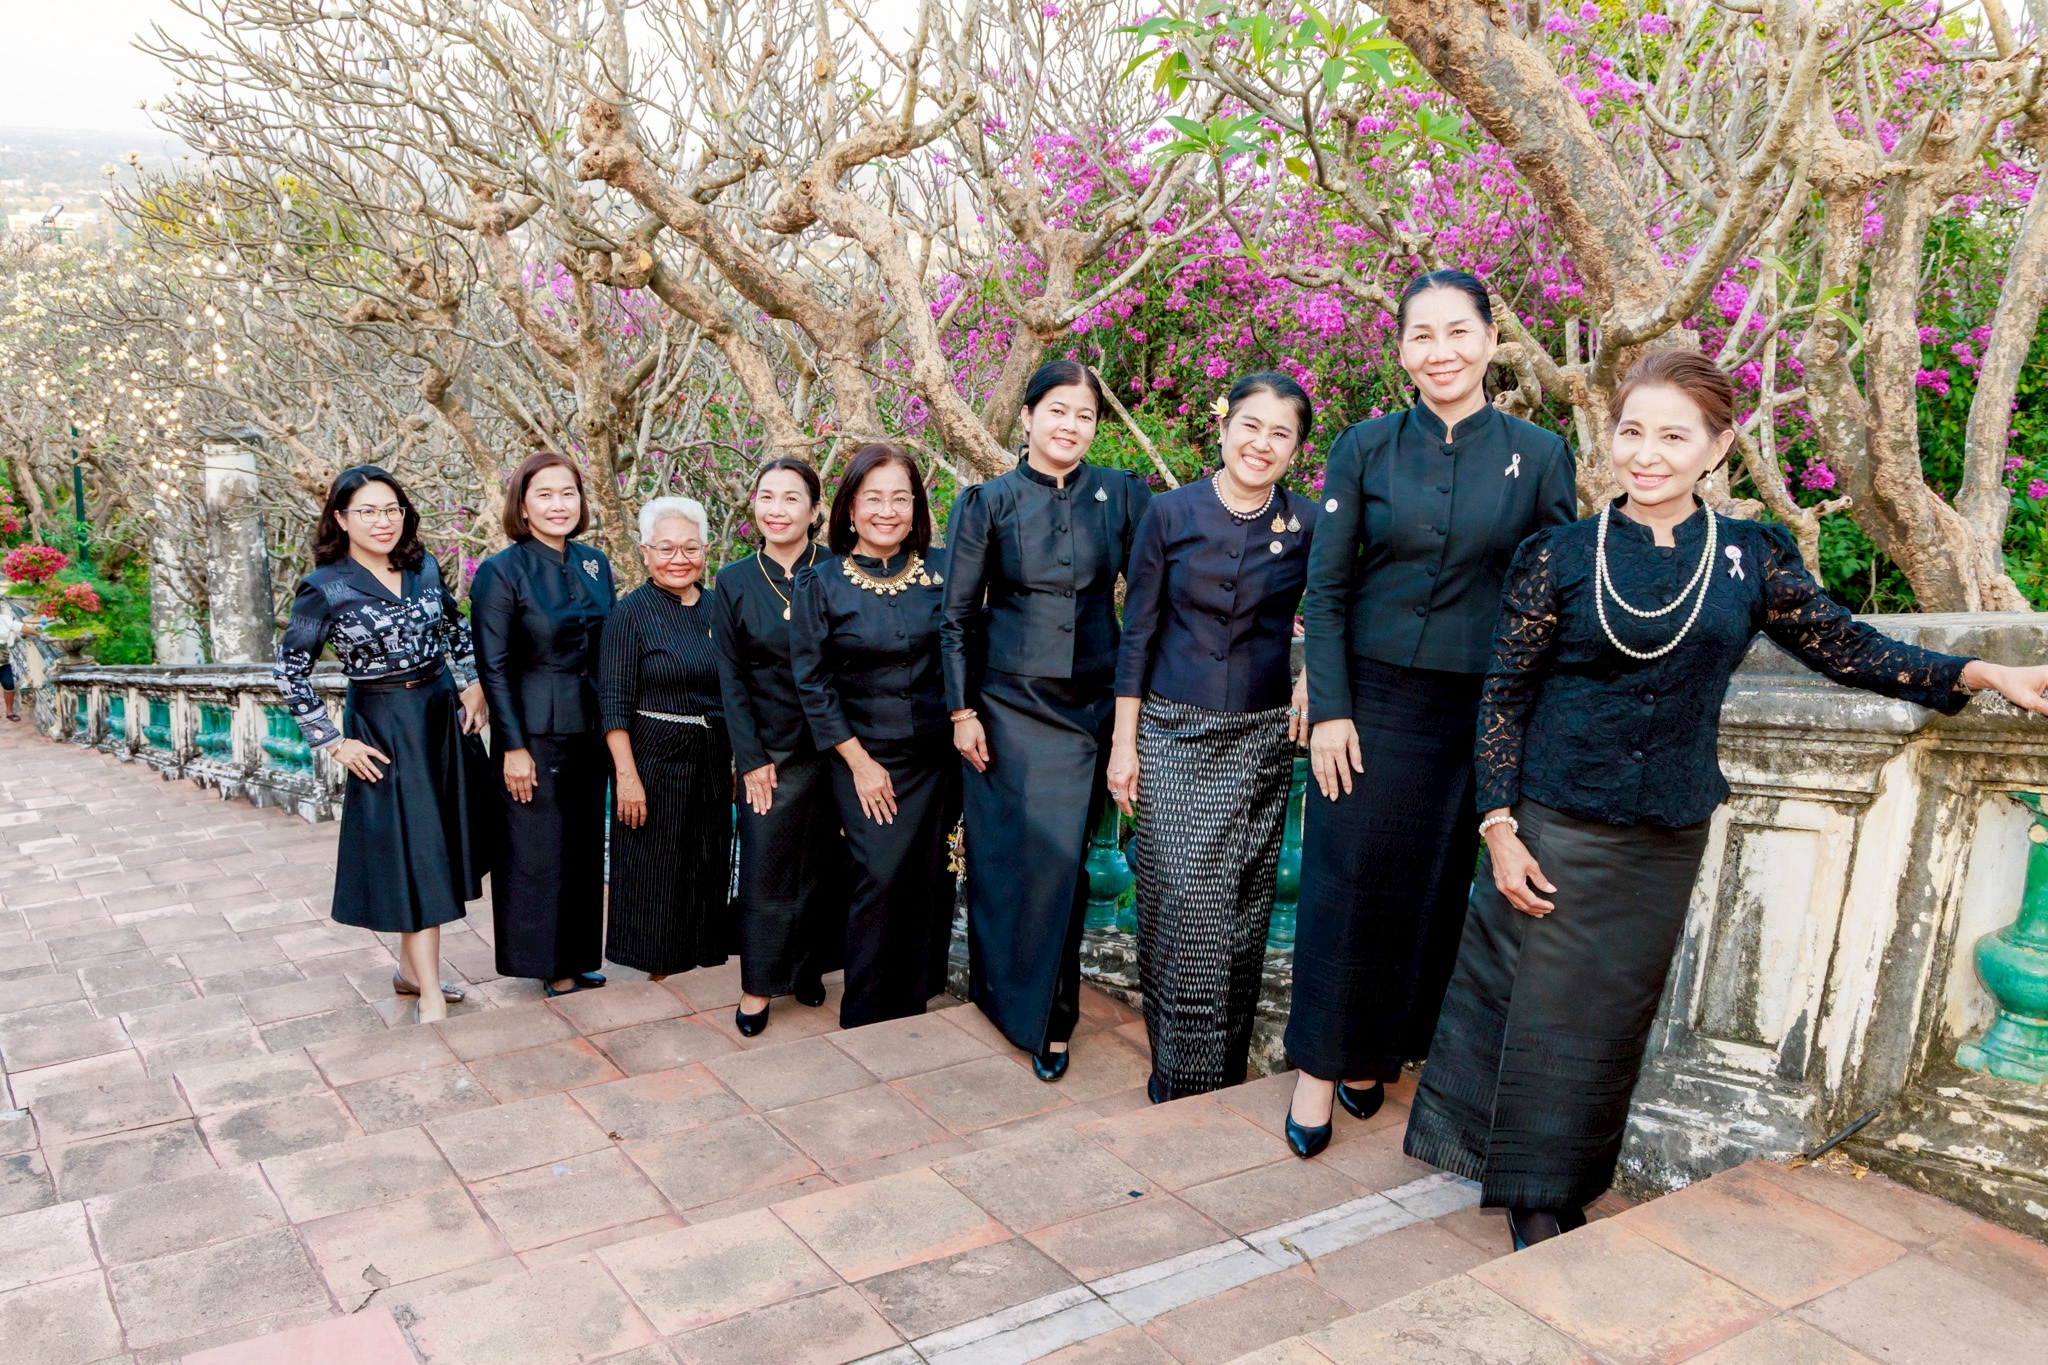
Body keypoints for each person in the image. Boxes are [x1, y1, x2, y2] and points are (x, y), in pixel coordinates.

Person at [1403, 349, 2048, 1248]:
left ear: (1719, 445)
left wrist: (1980, 670)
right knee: (1543, 1009)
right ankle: (1534, 1195)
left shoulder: (1750, 557)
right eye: (1633, 431)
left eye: (1674, 435)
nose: (1648, 453)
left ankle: (1567, 1176)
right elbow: (1504, 696)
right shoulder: (1555, 556)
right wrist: (1500, 825)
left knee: (1613, 1019)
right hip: (1557, 818)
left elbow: (1847, 647)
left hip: (1667, 827)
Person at [1285, 269, 1578, 1158]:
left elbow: (1551, 595)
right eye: (1422, 335)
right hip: (1369, 703)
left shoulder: (1540, 453)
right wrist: (1329, 705)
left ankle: (1376, 1054)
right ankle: (1317, 1072)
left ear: (1491, 341)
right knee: (1343, 887)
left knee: (1427, 895)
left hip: (1476, 711)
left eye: (1458, 333)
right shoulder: (1365, 446)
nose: (1440, 352)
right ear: (1402, 349)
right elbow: (1326, 587)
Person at [1108, 372, 1320, 1103]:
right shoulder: (1169, 513)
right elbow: (1136, 634)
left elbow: (1334, 607)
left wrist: (1309, 674)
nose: (1261, 443)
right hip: (1169, 731)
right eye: (1250, 425)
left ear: (1295, 448)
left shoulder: (1310, 523)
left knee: (1241, 915)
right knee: (1182, 906)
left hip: (1261, 740)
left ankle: (1216, 1076)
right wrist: (1124, 742)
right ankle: (1180, 1078)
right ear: (1223, 426)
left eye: (1280, 433)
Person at [943, 359, 1153, 1081]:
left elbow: (1156, 594)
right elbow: (956, 619)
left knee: (1063, 866)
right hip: (1006, 705)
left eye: (1085, 415)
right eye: (1057, 410)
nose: (1070, 426)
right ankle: (1006, 999)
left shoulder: (1122, 495)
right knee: (1008, 865)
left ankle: (1051, 1020)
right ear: (1027, 417)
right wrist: (962, 710)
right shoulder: (987, 502)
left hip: (1092, 703)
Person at [273, 465, 491, 1023]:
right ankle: (433, 991)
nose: (383, 521)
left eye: (391, 509)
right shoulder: (324, 588)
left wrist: (469, 683)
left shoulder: (420, 567)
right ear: (341, 519)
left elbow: (454, 629)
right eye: (367, 511)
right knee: (414, 851)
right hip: (383, 725)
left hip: (440, 718)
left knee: (435, 846)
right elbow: (289, 671)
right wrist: (332, 741)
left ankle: (408, 972)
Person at [790, 443, 959, 1029]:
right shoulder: (820, 583)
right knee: (880, 877)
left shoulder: (946, 569)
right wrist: (859, 762)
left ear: (916, 507)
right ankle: (864, 1012)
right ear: (850, 508)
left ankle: (912, 1001)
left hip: (939, 756)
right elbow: (811, 685)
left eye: (900, 498)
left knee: (929, 878)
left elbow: (967, 651)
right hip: (864, 756)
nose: (888, 511)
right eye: (874, 498)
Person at [470, 451, 616, 998]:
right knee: (538, 853)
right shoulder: (499, 572)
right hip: (532, 732)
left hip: (591, 726)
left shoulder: (594, 562)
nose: (560, 504)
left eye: (569, 493)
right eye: (545, 495)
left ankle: (581, 955)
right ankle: (547, 961)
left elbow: (610, 647)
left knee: (582, 847)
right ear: (523, 507)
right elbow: (495, 666)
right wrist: (512, 747)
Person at [714, 457, 849, 1036]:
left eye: (791, 498)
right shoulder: (735, 579)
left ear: (815, 510)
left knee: (827, 864)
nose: (777, 509)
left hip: (838, 744)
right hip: (770, 747)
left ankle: (809, 967)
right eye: (766, 497)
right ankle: (757, 987)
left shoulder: (840, 570)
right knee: (767, 867)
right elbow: (731, 677)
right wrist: (751, 759)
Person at [599, 496, 732, 985]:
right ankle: (659, 974)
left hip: (714, 754)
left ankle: (700, 971)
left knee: (708, 860)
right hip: (653, 757)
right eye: (667, 548)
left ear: (706, 550)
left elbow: (740, 691)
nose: (680, 559)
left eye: (690, 548)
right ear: (645, 551)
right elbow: (612, 702)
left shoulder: (722, 608)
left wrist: (739, 759)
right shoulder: (629, 614)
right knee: (656, 868)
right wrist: (626, 778)